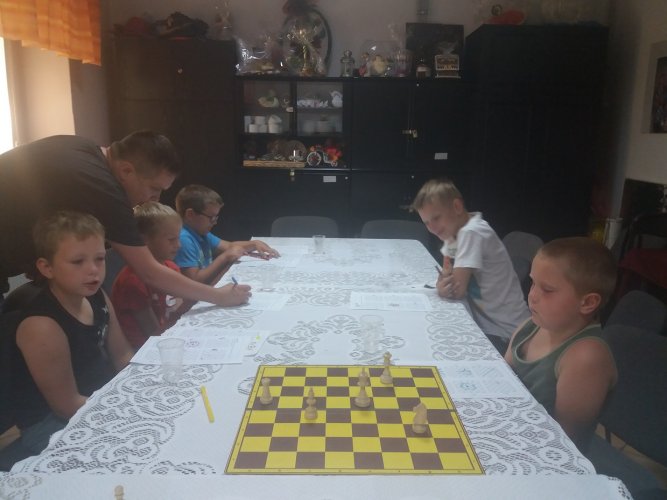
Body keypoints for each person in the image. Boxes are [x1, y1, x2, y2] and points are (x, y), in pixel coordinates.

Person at [0, 131, 250, 309]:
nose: (155, 198)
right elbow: (149, 271)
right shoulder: (103, 187)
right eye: (153, 188)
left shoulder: (83, 147)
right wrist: (219, 296)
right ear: (126, 170)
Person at [0, 212, 134, 468]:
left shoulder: (96, 295)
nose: (93, 270)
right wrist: (124, 411)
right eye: (77, 261)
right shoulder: (41, 325)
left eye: (99, 259)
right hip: (51, 422)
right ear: (46, 268)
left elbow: (122, 355)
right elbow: (66, 406)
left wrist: (139, 391)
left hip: (97, 396)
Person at [504, 237, 617, 453]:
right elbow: (501, 381)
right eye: (533, 282)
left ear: (588, 302)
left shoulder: (586, 357)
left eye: (547, 290)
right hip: (512, 431)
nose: (532, 295)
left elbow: (564, 439)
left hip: (544, 455)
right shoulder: (530, 327)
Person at [411, 178, 530, 350]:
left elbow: (455, 291)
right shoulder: (459, 229)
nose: (432, 228)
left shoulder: (471, 232)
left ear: (457, 207)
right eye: (427, 223)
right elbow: (447, 274)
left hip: (506, 335)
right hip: (497, 326)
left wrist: (443, 287)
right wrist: (444, 282)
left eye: (436, 218)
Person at [111, 202, 192, 349]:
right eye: (171, 239)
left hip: (169, 335)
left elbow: (180, 308)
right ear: (144, 240)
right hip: (146, 349)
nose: (178, 245)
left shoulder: (172, 267)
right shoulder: (132, 282)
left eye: (178, 238)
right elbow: (152, 332)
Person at [174, 184, 279, 285]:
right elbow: (194, 282)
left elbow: (229, 246)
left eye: (216, 217)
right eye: (211, 217)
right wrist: (225, 257)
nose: (215, 222)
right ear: (190, 214)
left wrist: (254, 244)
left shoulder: (200, 232)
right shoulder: (184, 239)